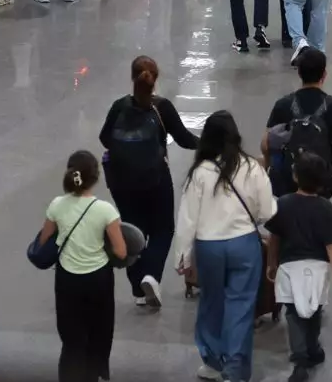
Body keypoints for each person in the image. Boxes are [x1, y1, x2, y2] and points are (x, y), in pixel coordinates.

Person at [169, 111, 277, 382]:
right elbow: (267, 211)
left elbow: (187, 218)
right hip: (244, 245)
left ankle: (213, 361)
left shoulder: (200, 172)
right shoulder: (252, 167)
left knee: (211, 303)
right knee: (241, 306)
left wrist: (182, 255)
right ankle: (236, 371)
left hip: (209, 248)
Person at [98, 55, 199, 310]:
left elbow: (104, 138)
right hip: (156, 179)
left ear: (133, 78)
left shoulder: (119, 106)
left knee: (134, 231)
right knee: (163, 229)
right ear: (155, 79)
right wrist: (212, 143)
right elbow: (185, 139)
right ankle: (151, 275)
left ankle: (137, 290)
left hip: (122, 182)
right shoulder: (161, 107)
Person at [34, 151, 126, 382]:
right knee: (99, 333)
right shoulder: (105, 210)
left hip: (67, 280)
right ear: (95, 177)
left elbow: (44, 240)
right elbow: (121, 251)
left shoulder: (57, 205)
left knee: (72, 340)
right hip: (99, 280)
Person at [264, 151, 332, 382]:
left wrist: (271, 264)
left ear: (295, 177)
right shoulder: (325, 208)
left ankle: (299, 360)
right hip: (317, 270)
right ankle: (313, 348)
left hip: (289, 267)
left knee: (293, 313)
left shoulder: (283, 204)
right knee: (313, 311)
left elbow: (274, 238)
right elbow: (331, 246)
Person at [262, 47, 332, 200]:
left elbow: (266, 144)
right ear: (324, 74)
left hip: (288, 183)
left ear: (299, 73)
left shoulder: (283, 104)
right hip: (321, 185)